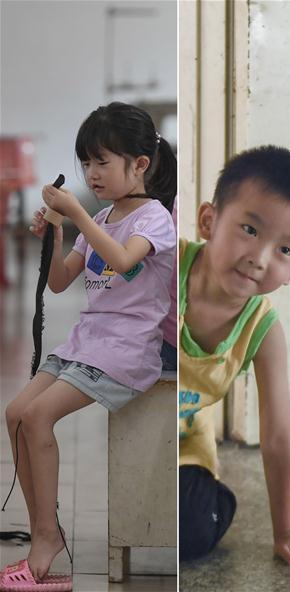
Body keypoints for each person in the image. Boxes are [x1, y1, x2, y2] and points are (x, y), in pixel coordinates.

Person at [2, 102, 177, 586]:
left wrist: (77, 213)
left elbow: (122, 260)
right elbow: (60, 282)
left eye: (102, 161)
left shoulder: (154, 219)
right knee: (16, 414)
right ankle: (46, 529)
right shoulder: (103, 216)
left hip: (127, 349)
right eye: (86, 162)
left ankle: (45, 539)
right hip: (88, 342)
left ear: (139, 164)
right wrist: (57, 233)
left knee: (38, 416)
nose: (92, 173)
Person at [178, 146, 290, 567]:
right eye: (249, 229)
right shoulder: (165, 267)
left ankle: (213, 499)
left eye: (285, 251)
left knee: (190, 532)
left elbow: (279, 435)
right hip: (135, 428)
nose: (259, 258)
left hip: (182, 450)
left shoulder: (263, 331)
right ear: (209, 221)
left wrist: (287, 531)